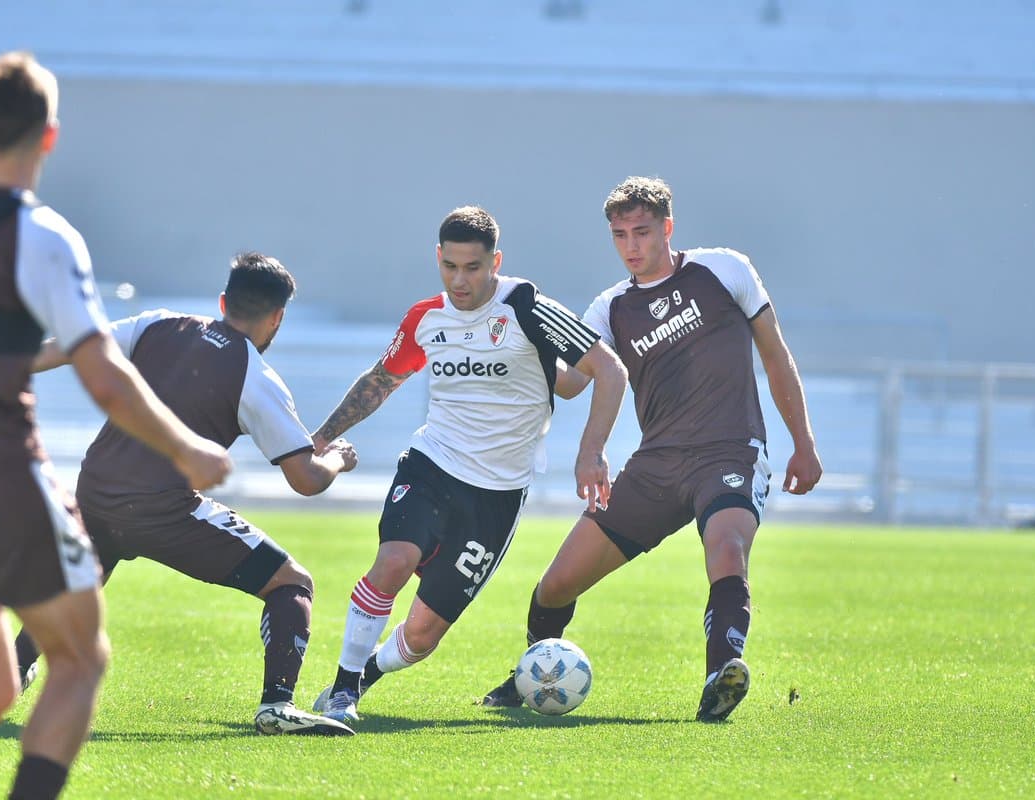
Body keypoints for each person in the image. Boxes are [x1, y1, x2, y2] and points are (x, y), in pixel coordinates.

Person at [0, 51, 232, 800]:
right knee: (79, 661)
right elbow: (105, 376)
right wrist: (186, 448)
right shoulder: (41, 237)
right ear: (49, 136)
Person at [482, 176, 823, 722]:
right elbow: (573, 382)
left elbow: (776, 355)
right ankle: (530, 674)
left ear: (667, 227)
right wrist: (527, 345)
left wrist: (803, 444)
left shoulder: (725, 269)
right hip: (656, 466)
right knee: (555, 585)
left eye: (642, 232)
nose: (632, 246)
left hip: (730, 452)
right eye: (620, 235)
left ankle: (722, 674)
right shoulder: (610, 307)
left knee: (728, 548)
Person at [12, 251, 359, 737]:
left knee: (86, 572)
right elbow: (305, 479)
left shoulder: (160, 323)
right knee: (291, 583)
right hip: (159, 507)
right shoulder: (256, 377)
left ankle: (12, 669)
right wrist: (338, 459)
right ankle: (277, 705)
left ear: (223, 300)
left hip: (95, 488)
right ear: (277, 317)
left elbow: (74, 346)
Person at [308, 206, 627, 725]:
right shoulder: (425, 318)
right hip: (432, 464)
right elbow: (380, 381)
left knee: (419, 637)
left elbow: (604, 373)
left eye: (473, 268)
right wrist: (320, 437)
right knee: (393, 562)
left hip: (497, 495)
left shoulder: (526, 306)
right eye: (450, 266)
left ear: (495, 261)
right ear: (438, 258)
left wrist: (590, 450)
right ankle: (344, 692)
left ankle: (366, 675)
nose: (460, 280)